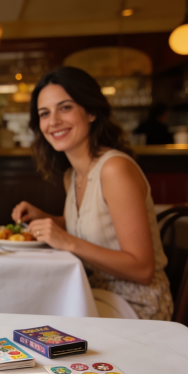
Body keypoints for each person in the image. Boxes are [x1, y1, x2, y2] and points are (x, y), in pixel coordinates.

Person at [11, 66, 173, 321]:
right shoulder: (72, 174)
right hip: (89, 291)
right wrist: (47, 218)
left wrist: (67, 241)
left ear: (91, 111)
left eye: (65, 107)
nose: (53, 121)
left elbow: (143, 269)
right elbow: (94, 227)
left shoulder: (115, 170)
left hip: (136, 303)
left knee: (28, 314)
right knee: (20, 305)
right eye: (44, 113)